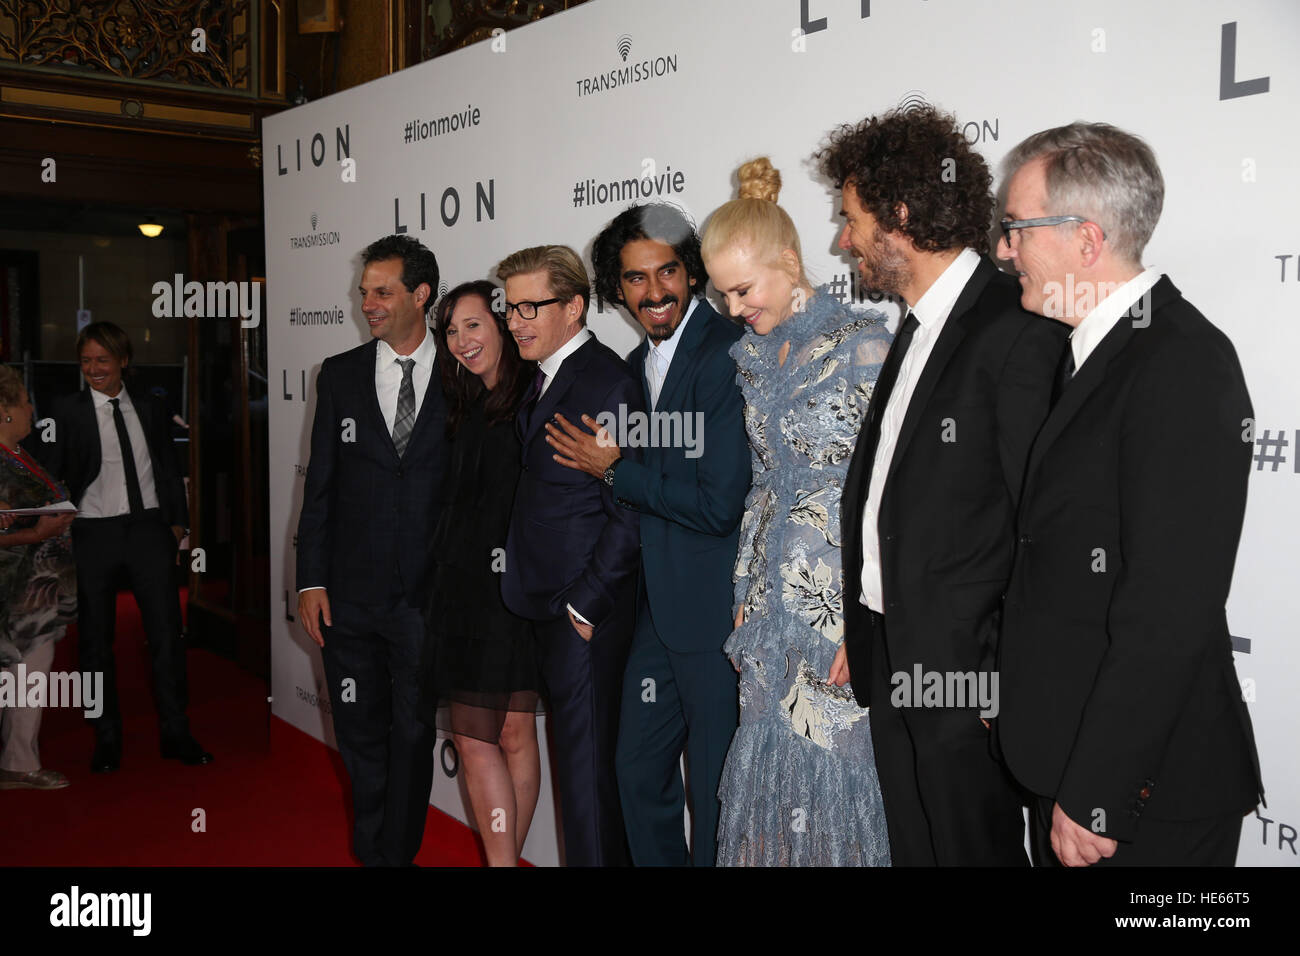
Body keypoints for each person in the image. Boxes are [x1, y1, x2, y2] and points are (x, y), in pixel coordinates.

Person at [994, 122, 1263, 867]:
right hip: (1072, 760)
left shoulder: (1181, 362)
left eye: (1016, 229)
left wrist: (1099, 790)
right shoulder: (1089, 353)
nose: (1004, 250)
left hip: (1142, 794)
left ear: (1085, 240)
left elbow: (1168, 610)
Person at [818, 105, 1067, 866]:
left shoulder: (1013, 324)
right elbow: (894, 492)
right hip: (896, 649)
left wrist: (998, 677)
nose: (841, 239)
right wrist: (869, 617)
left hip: (966, 678)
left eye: (850, 218)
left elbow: (1043, 525)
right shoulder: (918, 323)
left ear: (898, 215)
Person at [544, 203, 750, 865]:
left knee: (716, 795)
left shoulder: (725, 355)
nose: (654, 291)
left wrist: (616, 472)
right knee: (636, 773)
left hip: (716, 613)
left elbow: (720, 506)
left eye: (667, 271)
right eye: (635, 279)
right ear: (616, 286)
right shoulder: (637, 363)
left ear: (691, 272)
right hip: (654, 615)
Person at [702, 158, 892, 866]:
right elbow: (764, 483)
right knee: (768, 785)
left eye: (743, 290)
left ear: (789, 261)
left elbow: (887, 493)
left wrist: (867, 617)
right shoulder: (755, 354)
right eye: (723, 295)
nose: (733, 309)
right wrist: (746, 588)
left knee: (838, 782)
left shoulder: (861, 343)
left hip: (833, 604)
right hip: (768, 607)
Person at [296, 234, 449, 866]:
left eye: (383, 292)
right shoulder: (339, 375)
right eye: (364, 293)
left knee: (412, 738)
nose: (369, 304)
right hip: (349, 599)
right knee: (359, 736)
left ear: (421, 295)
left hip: (427, 599)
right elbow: (320, 484)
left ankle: (396, 856)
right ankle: (375, 855)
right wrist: (309, 581)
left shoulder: (467, 374)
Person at [497, 245, 642, 867]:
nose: (516, 320)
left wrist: (588, 602)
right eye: (511, 307)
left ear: (574, 306)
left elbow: (631, 504)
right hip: (540, 601)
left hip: (581, 613)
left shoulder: (607, 379)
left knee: (586, 784)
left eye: (532, 306)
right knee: (577, 777)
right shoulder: (545, 375)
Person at [37, 322, 206, 773]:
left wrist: (176, 526)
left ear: (123, 361)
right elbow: (50, 477)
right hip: (93, 533)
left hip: (148, 531)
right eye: (86, 361)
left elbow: (168, 469)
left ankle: (176, 730)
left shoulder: (151, 408)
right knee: (94, 643)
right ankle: (106, 735)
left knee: (167, 635)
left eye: (102, 361)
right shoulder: (65, 411)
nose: (93, 369)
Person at [418, 279, 541, 866]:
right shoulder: (458, 405)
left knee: (515, 735)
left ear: (502, 327)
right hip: (462, 593)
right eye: (451, 330)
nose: (462, 340)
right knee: (473, 739)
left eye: (473, 325)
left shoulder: (536, 399)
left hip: (516, 593)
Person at [0, 367, 77, 790]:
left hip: (35, 591)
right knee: (27, 674)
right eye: (24, 401)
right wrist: (38, 532)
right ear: (5, 410)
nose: (32, 409)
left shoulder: (18, 453)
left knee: (25, 674)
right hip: (17, 595)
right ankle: (18, 764)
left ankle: (17, 759)